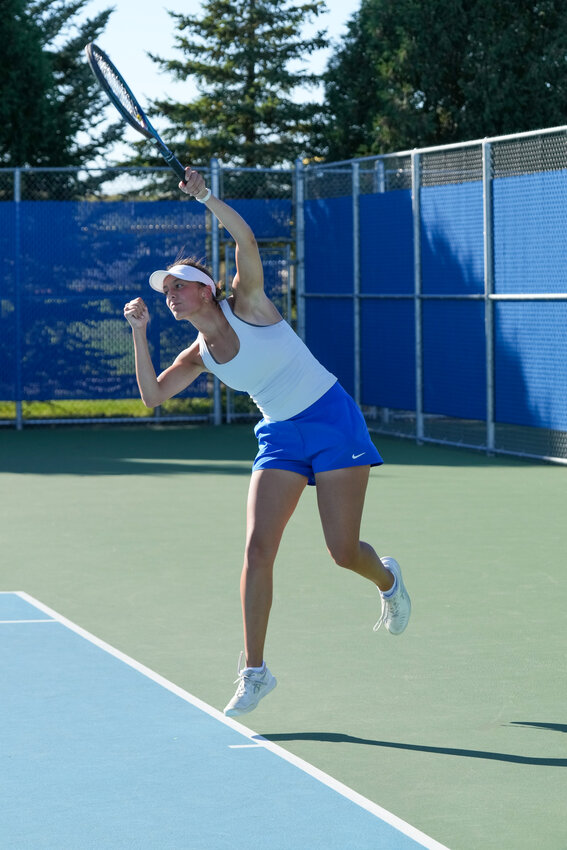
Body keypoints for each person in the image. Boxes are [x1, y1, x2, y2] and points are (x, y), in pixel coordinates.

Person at [123, 166, 411, 718]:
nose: (169, 296)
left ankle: (388, 579)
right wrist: (140, 335)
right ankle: (255, 671)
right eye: (166, 292)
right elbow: (153, 396)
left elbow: (245, 240)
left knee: (342, 551)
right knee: (257, 549)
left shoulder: (247, 301)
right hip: (279, 435)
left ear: (206, 289)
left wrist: (205, 195)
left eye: (177, 286)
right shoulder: (197, 355)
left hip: (331, 420)